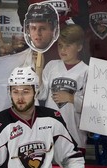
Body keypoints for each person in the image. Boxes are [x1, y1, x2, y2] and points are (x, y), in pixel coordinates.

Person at [36, 24, 88, 153]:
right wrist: (38, 71)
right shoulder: (51, 66)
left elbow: (91, 109)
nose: (63, 50)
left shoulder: (87, 71)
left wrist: (71, 98)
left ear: (79, 47)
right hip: (49, 135)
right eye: (60, 45)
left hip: (75, 136)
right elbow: (41, 95)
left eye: (68, 46)